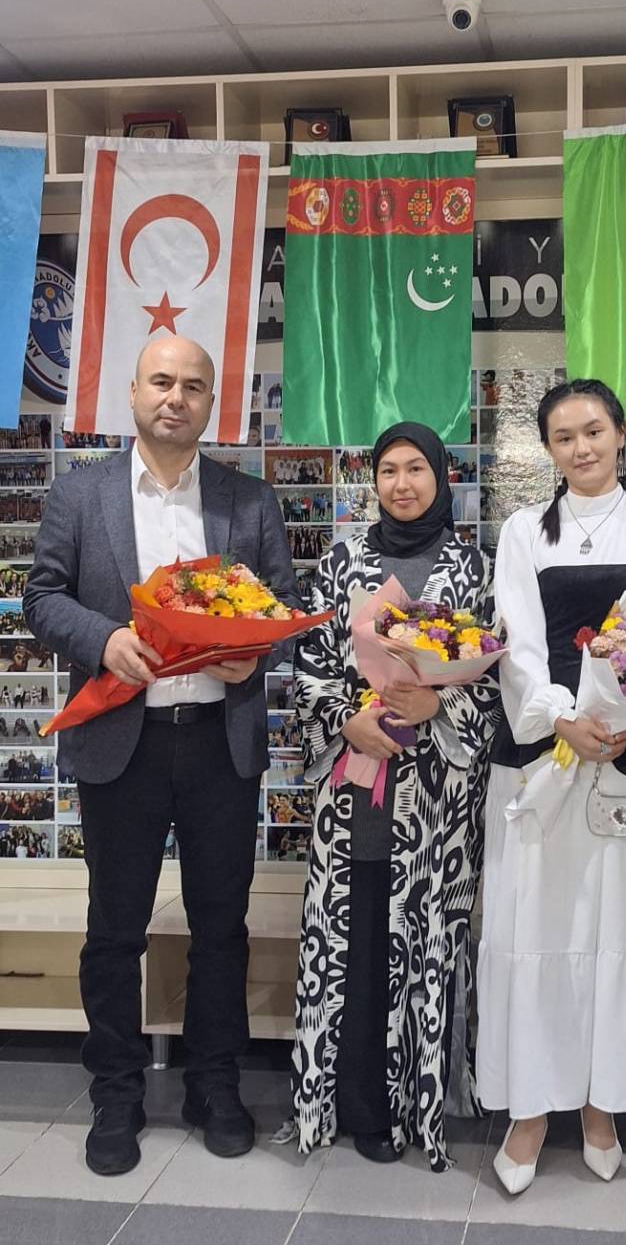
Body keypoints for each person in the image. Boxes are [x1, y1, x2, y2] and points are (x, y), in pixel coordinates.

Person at [24, 335, 301, 1177]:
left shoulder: (249, 499)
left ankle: (215, 1084)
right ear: (134, 393)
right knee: (114, 931)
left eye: (193, 385)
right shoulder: (80, 494)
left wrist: (255, 652)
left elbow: (284, 608)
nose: (176, 397)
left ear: (212, 402)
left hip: (220, 742)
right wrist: (104, 638)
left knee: (222, 927)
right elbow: (41, 597)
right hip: (123, 742)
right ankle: (116, 1091)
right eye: (162, 381)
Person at [477, 378, 626, 1194]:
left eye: (594, 430)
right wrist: (565, 718)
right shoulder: (523, 530)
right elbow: (518, 646)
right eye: (564, 436)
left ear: (621, 433)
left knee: (618, 930)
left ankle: (604, 1103)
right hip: (547, 755)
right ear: (548, 447)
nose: (581, 447)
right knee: (538, 927)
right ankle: (531, 1110)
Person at [288, 421, 499, 1170]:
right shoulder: (341, 560)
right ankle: (356, 1106)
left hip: (436, 799)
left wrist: (440, 704)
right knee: (358, 938)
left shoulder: (474, 568)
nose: (402, 483)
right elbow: (309, 661)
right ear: (372, 481)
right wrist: (346, 720)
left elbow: (496, 679)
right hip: (356, 786)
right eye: (388, 470)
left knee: (423, 939)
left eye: (416, 469)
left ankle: (419, 1102)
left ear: (442, 477)